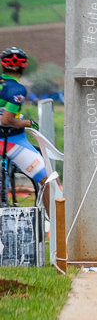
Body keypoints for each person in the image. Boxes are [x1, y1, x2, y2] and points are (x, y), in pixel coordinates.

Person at [0, 47, 49, 207]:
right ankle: (58, 228)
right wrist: (27, 123)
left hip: (9, 140)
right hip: (12, 140)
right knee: (48, 180)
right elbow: (7, 120)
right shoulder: (17, 89)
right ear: (24, 66)